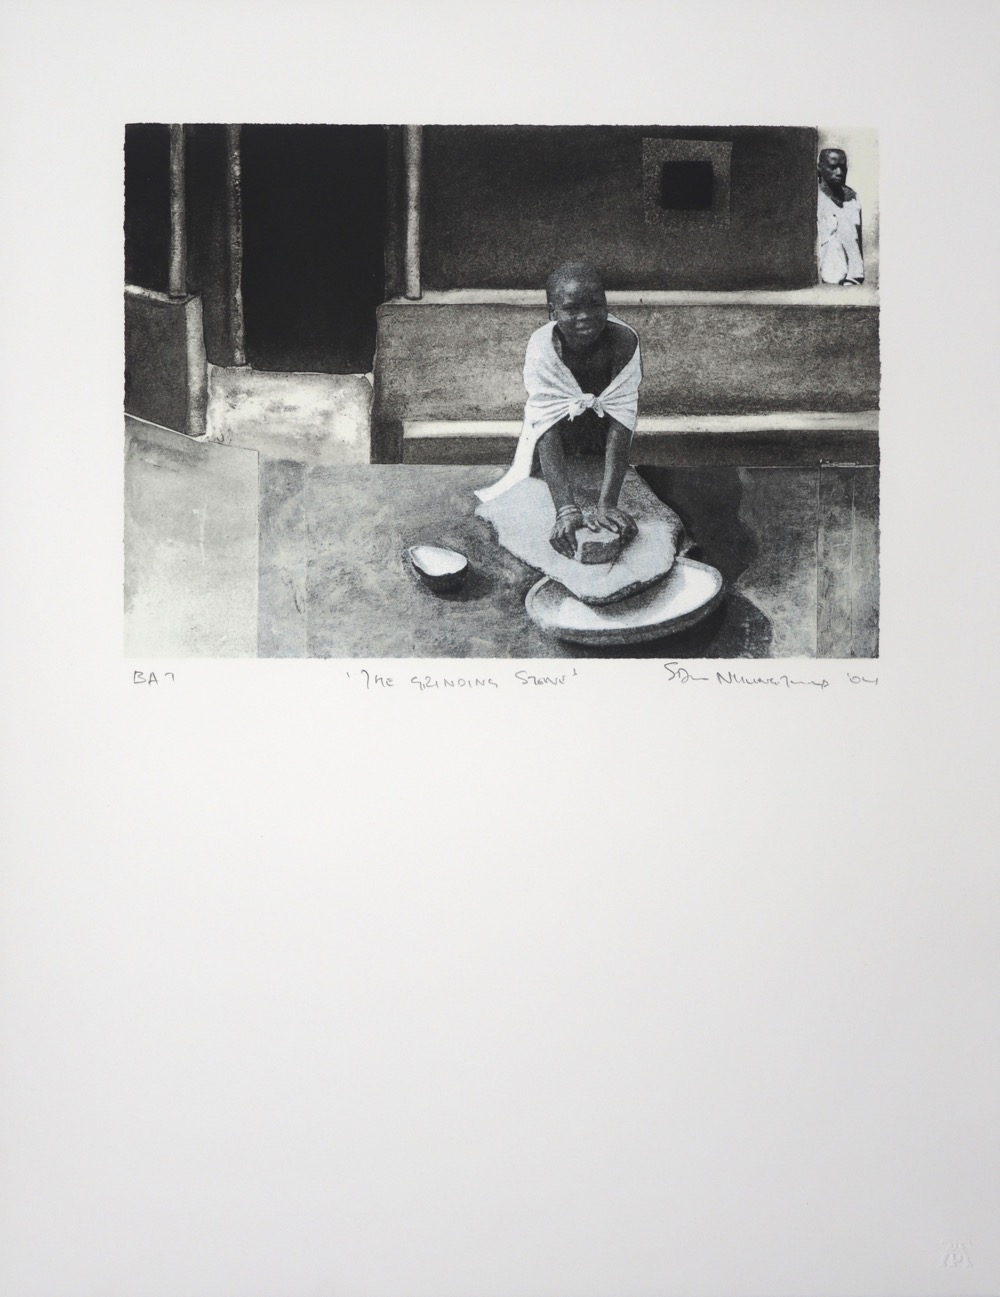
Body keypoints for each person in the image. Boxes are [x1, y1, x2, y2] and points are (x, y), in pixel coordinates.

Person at [474, 263, 643, 558]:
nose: (586, 317)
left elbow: (621, 419)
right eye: (571, 309)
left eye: (595, 305)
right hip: (558, 437)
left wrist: (607, 503)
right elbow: (546, 423)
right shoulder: (543, 347)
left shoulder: (623, 341)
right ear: (552, 312)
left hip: (601, 437)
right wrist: (565, 508)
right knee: (531, 512)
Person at [817, 148, 864, 286]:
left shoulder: (853, 198)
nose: (839, 172)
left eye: (842, 168)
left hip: (853, 282)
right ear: (820, 168)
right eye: (833, 167)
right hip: (827, 283)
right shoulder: (813, 198)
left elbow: (857, 239)